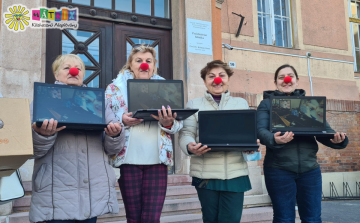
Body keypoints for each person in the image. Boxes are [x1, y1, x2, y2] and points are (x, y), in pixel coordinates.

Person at [29, 54, 125, 223]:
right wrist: (43, 135)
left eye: (78, 68)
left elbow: (113, 149)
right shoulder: (42, 100)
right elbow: (32, 150)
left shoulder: (99, 102)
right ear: (56, 74)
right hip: (55, 195)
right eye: (67, 68)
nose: (73, 71)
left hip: (91, 194)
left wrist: (115, 134)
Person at [257, 64, 348, 223]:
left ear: (297, 81)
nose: (286, 80)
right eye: (281, 77)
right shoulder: (267, 104)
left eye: (290, 76)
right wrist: (273, 139)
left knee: (313, 219)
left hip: (310, 171)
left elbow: (324, 130)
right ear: (276, 82)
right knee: (284, 219)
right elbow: (260, 130)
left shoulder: (308, 105)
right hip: (279, 170)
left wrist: (338, 139)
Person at [105, 44, 183, 223]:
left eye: (148, 61)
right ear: (130, 65)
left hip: (157, 160)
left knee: (151, 218)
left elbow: (178, 125)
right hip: (128, 160)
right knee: (133, 217)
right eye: (138, 61)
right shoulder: (113, 89)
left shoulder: (167, 88)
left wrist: (168, 122)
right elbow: (106, 119)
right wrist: (121, 120)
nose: (144, 65)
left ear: (154, 65)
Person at [179, 60, 255, 223]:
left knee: (232, 220)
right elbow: (186, 133)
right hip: (206, 174)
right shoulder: (193, 104)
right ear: (205, 81)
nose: (217, 80)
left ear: (228, 78)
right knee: (210, 219)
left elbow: (247, 134)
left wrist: (249, 146)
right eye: (211, 76)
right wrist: (190, 146)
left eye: (221, 75)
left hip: (235, 175)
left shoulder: (241, 104)